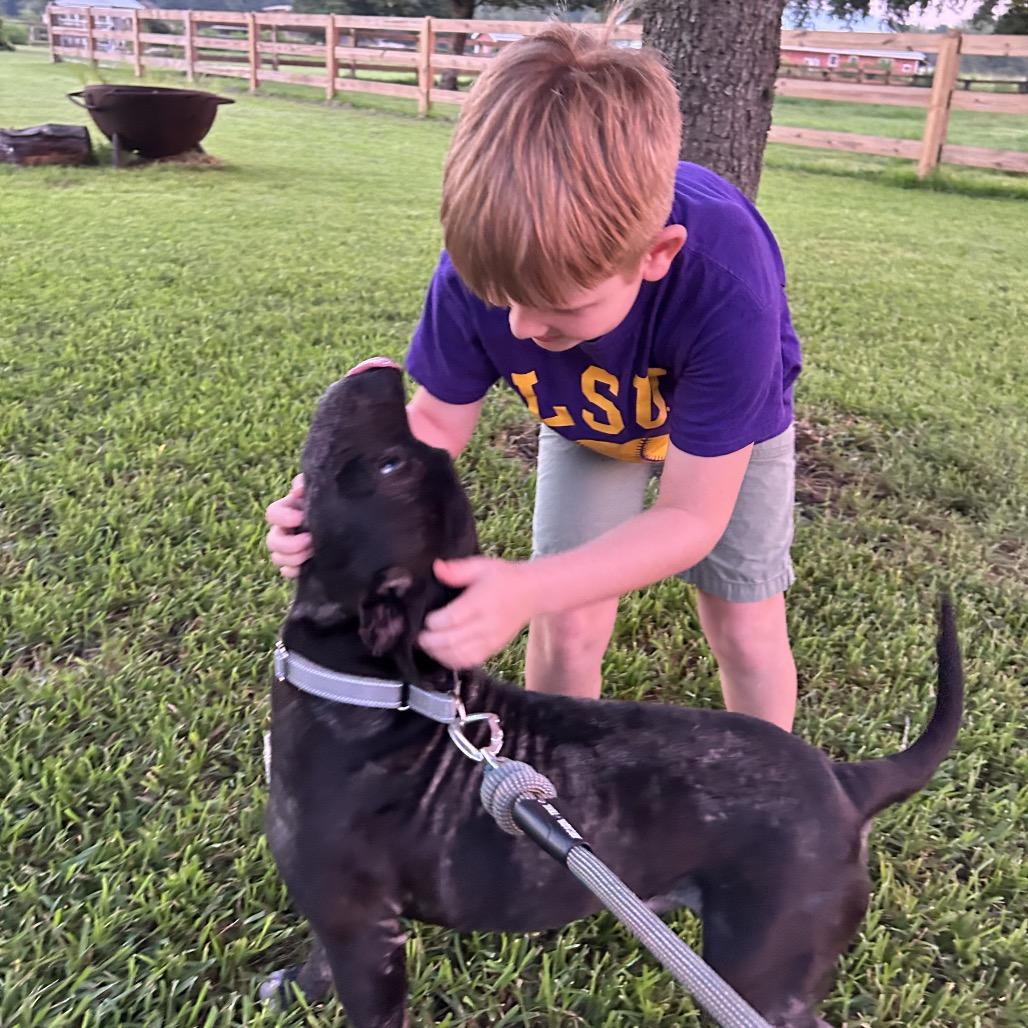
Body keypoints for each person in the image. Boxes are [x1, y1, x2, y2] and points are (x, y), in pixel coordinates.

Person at [266, 21, 802, 731]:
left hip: (730, 442)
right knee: (568, 622)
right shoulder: (482, 267)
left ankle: (769, 806)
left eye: (559, 307)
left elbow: (690, 517)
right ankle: (555, 795)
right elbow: (434, 424)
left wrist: (525, 584)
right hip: (587, 426)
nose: (518, 329)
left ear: (657, 254)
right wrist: (334, 509)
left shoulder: (729, 287)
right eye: (501, 300)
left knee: (742, 622)